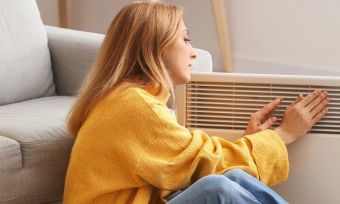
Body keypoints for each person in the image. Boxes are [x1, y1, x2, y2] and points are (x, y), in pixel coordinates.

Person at [63, 1, 329, 204]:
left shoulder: (128, 99)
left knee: (232, 177)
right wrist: (283, 134)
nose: (193, 52)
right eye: (185, 38)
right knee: (217, 188)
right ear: (156, 46)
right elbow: (204, 161)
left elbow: (191, 161)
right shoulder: (134, 107)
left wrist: (252, 141)